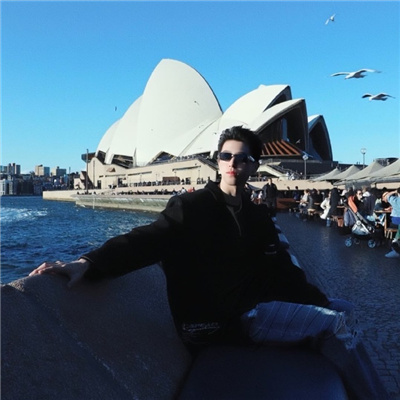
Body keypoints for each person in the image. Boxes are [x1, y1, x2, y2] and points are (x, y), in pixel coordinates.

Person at [30, 126, 354, 351]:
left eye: (243, 158)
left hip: (253, 309)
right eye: (226, 156)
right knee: (338, 326)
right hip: (213, 323)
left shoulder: (256, 215)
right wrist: (87, 263)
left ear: (254, 166)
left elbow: (283, 270)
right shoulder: (191, 207)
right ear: (217, 161)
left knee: (344, 309)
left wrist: (320, 301)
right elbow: (146, 241)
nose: (233, 163)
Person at [383, 188, 400, 259]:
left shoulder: (394, 199)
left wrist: (394, 191)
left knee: (391, 224)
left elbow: (387, 196)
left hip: (395, 221)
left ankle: (393, 246)